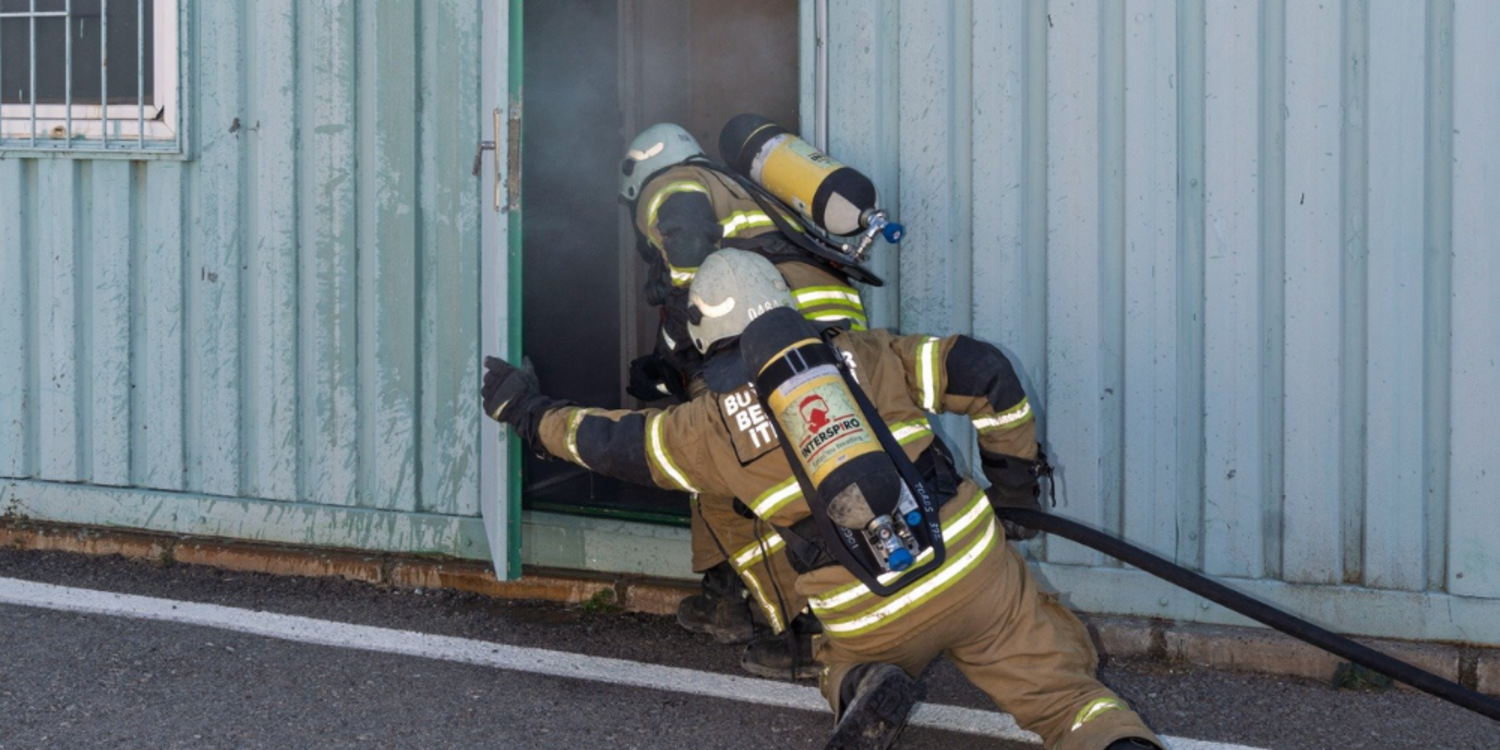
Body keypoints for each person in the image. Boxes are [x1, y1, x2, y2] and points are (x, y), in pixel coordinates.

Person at [483, 249, 1164, 750]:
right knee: (1071, 701)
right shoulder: (865, 354)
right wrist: (1012, 488)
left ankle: (861, 684)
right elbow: (987, 371)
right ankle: (1114, 742)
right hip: (975, 572)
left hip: (868, 608)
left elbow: (604, 442)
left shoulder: (704, 427)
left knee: (838, 662)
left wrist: (526, 410)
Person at [618, 123, 873, 677]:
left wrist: (679, 300)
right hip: (830, 334)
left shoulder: (671, 184)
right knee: (752, 463)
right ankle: (724, 595)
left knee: (735, 471)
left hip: (766, 332)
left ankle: (804, 634)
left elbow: (687, 246)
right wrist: (670, 362)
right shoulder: (740, 188)